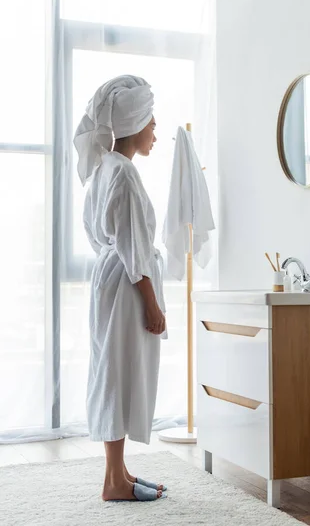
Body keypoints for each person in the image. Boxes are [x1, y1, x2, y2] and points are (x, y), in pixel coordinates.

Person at [74, 75, 167, 502]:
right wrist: (152, 305)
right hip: (128, 287)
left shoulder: (103, 169)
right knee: (117, 374)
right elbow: (134, 249)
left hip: (108, 281)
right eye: (151, 121)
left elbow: (103, 240)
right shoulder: (124, 174)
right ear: (134, 122)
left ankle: (122, 472)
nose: (155, 131)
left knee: (111, 369)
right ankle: (113, 481)